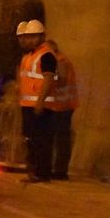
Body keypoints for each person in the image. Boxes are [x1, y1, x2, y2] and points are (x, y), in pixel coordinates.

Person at [17, 19, 58, 182]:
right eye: (28, 37)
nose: (29, 40)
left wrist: (40, 102)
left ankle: (41, 172)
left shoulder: (46, 55)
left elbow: (48, 79)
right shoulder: (30, 55)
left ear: (42, 37)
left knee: (40, 140)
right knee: (31, 139)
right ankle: (34, 170)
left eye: (34, 37)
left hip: (40, 106)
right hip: (28, 104)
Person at [46, 39, 79, 180]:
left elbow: (60, 81)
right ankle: (58, 169)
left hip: (62, 106)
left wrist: (46, 82)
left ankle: (60, 171)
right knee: (59, 138)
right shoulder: (60, 60)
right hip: (61, 105)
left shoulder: (60, 61)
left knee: (61, 139)